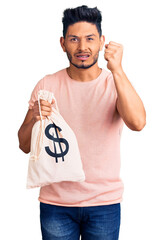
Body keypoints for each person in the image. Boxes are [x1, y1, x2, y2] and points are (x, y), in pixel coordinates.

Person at [18, 5, 146, 240]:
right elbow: (24, 145)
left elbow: (138, 122)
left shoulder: (114, 83)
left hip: (104, 204)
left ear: (101, 41)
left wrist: (117, 69)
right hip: (56, 204)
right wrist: (34, 119)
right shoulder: (46, 85)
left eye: (90, 38)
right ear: (63, 43)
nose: (82, 47)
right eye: (74, 39)